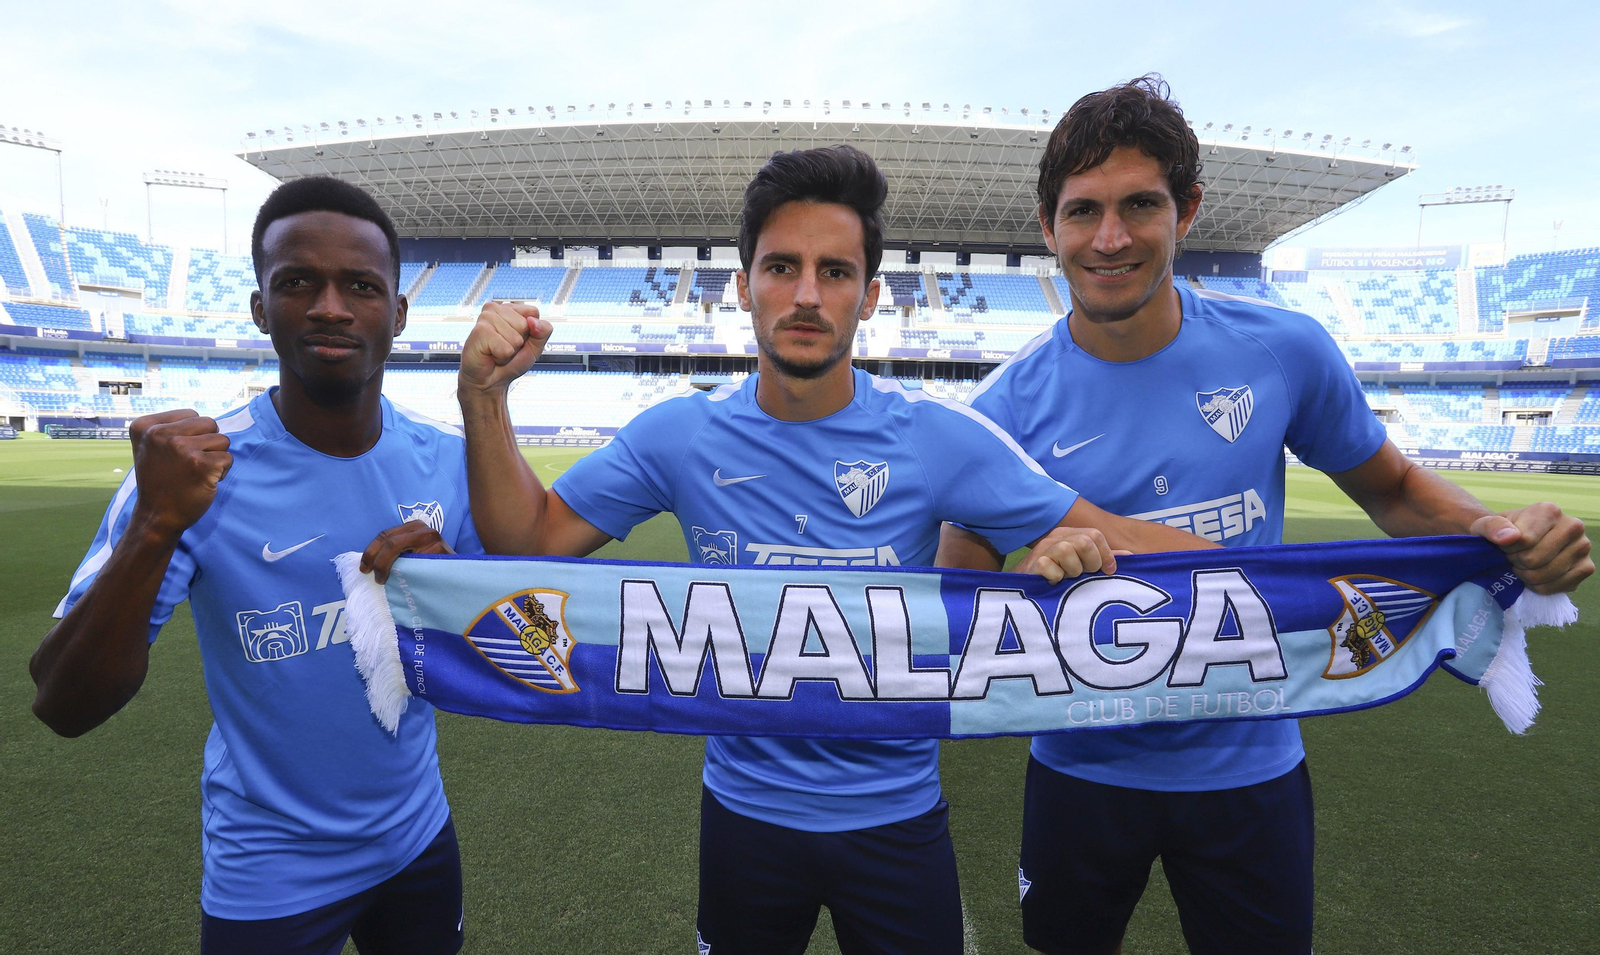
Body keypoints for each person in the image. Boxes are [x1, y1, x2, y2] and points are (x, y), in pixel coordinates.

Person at [439, 144, 1211, 955]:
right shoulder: (679, 436)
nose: (807, 295)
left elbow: (1108, 532)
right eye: (782, 266)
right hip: (745, 817)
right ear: (741, 285)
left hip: (898, 819)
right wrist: (483, 397)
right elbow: (524, 542)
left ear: (871, 295)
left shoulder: (937, 438)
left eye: (836, 272)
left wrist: (1310, 581)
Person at [938, 76, 1594, 955]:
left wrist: (1502, 541)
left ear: (1189, 210)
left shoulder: (1283, 351)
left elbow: (1395, 489)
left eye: (1141, 204)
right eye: (1083, 210)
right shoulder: (997, 411)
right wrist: (1031, 583)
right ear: (1048, 224)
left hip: (1252, 766)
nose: (1111, 237)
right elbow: (955, 598)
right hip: (1081, 767)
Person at [30, 176, 478, 955]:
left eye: (361, 285)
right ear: (260, 307)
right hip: (269, 867)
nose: (331, 306)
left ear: (397, 314)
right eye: (298, 281)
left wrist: (446, 596)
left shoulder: (449, 463)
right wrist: (156, 524)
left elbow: (520, 650)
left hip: (417, 836)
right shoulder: (193, 471)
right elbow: (64, 702)